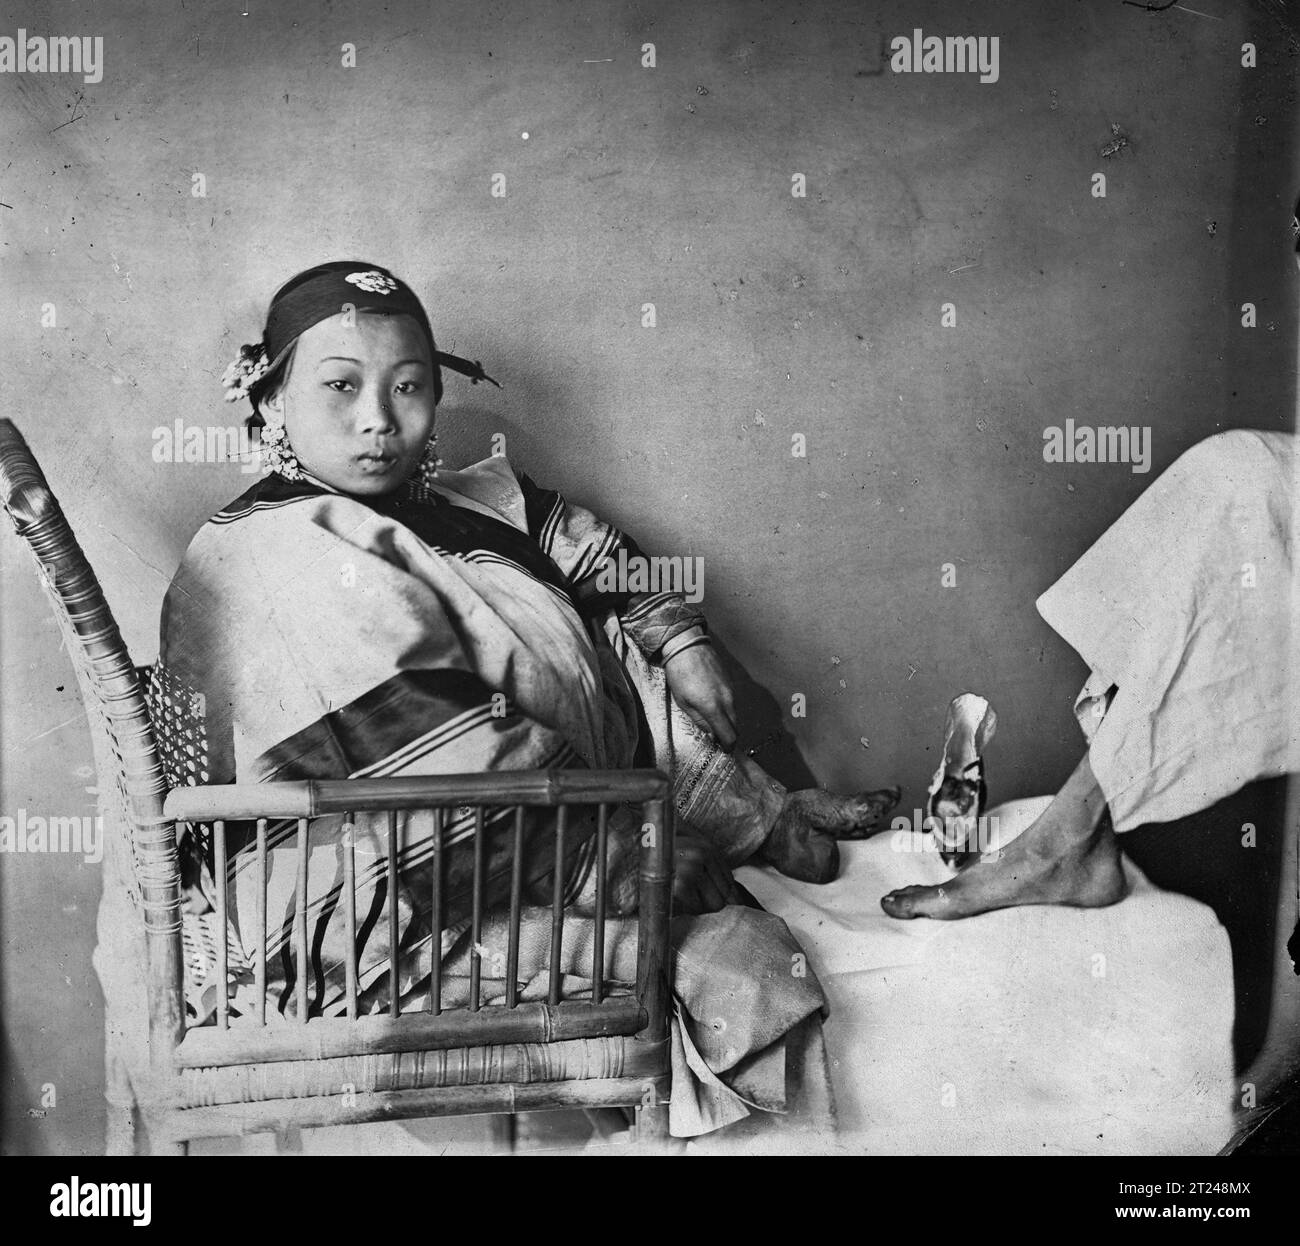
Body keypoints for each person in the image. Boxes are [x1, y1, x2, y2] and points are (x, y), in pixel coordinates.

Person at [154, 260, 899, 1134]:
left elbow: (570, 537)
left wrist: (678, 634)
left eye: (409, 388)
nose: (378, 421)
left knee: (595, 627)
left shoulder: (442, 503)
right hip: (395, 894)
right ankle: (739, 852)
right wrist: (625, 858)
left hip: (534, 825)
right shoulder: (275, 553)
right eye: (340, 387)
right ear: (273, 398)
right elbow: (424, 766)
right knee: (745, 960)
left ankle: (766, 818)